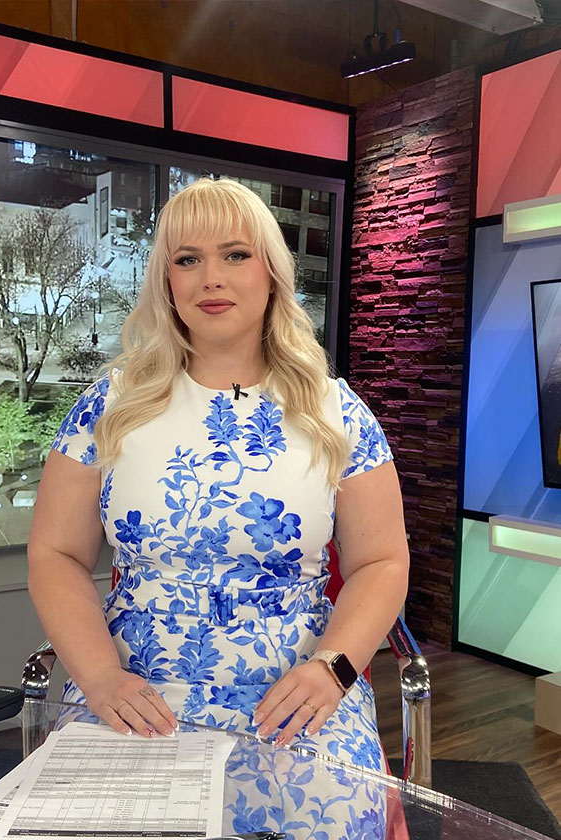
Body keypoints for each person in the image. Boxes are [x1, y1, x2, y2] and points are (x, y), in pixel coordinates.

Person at [28, 177, 409, 769]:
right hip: (132, 694)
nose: (211, 277)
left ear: (271, 273)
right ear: (167, 281)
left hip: (300, 694)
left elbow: (381, 561)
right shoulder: (109, 406)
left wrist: (333, 669)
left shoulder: (335, 412)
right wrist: (101, 678)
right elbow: (56, 554)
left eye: (235, 254)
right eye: (188, 259)